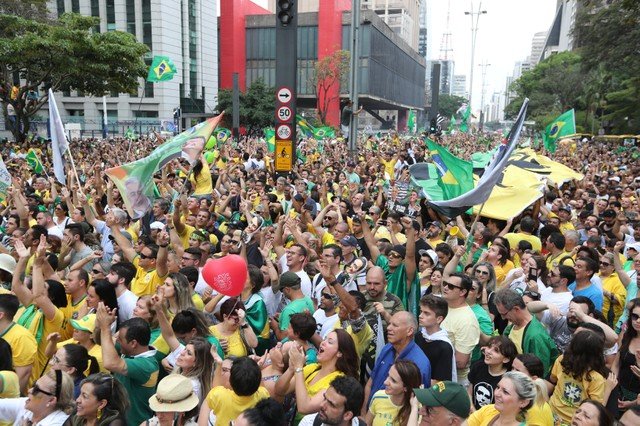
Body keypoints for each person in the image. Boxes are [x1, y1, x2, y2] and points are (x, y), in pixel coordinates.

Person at [275, 329, 359, 422]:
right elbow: (279, 390)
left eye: (330, 342)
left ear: (339, 353)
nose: (323, 343)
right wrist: (291, 368)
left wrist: (298, 367)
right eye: (325, 339)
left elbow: (304, 408)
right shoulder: (313, 368)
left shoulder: (339, 380)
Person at [97, 303, 159, 426]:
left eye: (120, 339)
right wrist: (102, 324)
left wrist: (105, 328)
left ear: (133, 343)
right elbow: (101, 341)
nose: (117, 340)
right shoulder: (131, 349)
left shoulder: (147, 366)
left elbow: (110, 363)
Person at [365, 311, 431, 407]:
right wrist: (363, 413)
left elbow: (416, 404)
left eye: (395, 325)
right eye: (389, 324)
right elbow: (370, 384)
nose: (388, 328)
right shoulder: (387, 348)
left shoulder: (420, 364)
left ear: (409, 331)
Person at [494, 288, 558, 376]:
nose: (503, 318)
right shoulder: (512, 327)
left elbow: (540, 373)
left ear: (516, 309)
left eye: (504, 314)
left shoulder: (536, 336)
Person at [548, 330, 607, 423]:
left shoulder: (561, 360)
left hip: (550, 413)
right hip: (574, 422)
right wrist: (609, 388)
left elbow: (553, 378)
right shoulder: (597, 378)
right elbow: (596, 407)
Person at [466, 371, 543, 426]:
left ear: (523, 402)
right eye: (498, 387)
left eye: (505, 392)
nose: (496, 394)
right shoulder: (488, 410)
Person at [0, 369, 75, 425]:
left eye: (36, 389)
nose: (29, 390)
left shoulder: (57, 423)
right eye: (34, 385)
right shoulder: (30, 405)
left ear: (51, 400)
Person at [366, 359, 421, 426]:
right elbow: (366, 424)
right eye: (388, 376)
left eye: (393, 381)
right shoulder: (378, 396)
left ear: (406, 388)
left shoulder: (417, 409)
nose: (385, 382)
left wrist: (414, 408)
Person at [468, 336, 517, 411]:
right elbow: (469, 393)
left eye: (496, 351)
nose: (488, 351)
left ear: (506, 359)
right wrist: (474, 412)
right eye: (489, 346)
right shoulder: (478, 366)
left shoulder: (508, 379)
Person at [414, 294, 455, 383]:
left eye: (426, 313)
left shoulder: (444, 346)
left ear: (439, 319)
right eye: (421, 311)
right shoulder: (418, 336)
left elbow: (440, 381)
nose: (420, 316)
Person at [298, 376, 365, 426]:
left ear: (347, 415)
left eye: (331, 404)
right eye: (324, 398)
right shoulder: (309, 423)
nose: (322, 405)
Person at [612, 297, 640, 410]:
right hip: (619, 392)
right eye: (635, 316)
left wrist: (632, 403)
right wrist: (613, 387)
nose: (638, 321)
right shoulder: (626, 335)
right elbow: (616, 363)